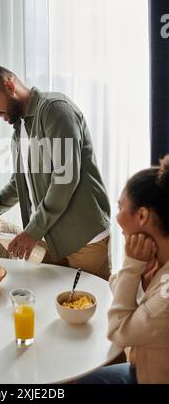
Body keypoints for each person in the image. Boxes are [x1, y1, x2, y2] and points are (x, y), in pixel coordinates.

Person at [0, 66, 111, 279]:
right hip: (49, 239)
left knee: (89, 305)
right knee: (48, 304)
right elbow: (19, 183)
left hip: (84, 239)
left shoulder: (55, 110)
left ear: (10, 85)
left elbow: (65, 178)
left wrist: (32, 231)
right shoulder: (19, 132)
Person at [78, 156, 169, 384]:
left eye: (120, 207)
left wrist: (131, 265)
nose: (116, 216)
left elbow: (117, 332)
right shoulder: (157, 260)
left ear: (142, 216)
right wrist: (135, 270)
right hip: (140, 368)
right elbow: (115, 282)